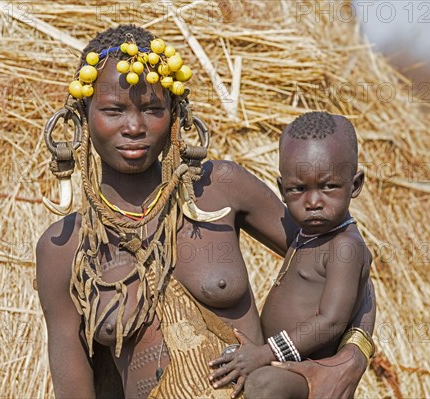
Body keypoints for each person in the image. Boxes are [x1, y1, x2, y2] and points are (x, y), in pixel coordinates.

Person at [36, 25, 376, 399]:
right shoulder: (64, 247)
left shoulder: (221, 189)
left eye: (152, 109)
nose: (134, 127)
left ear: (176, 115)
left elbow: (345, 258)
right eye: (113, 110)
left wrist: (351, 357)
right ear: (83, 117)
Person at [208, 112, 373, 398]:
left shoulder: (344, 246)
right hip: (279, 359)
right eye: (298, 189)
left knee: (262, 386)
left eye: (328, 186)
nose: (312, 202)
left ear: (355, 185)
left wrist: (264, 353)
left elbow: (331, 320)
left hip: (307, 370)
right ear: (282, 190)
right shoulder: (306, 234)